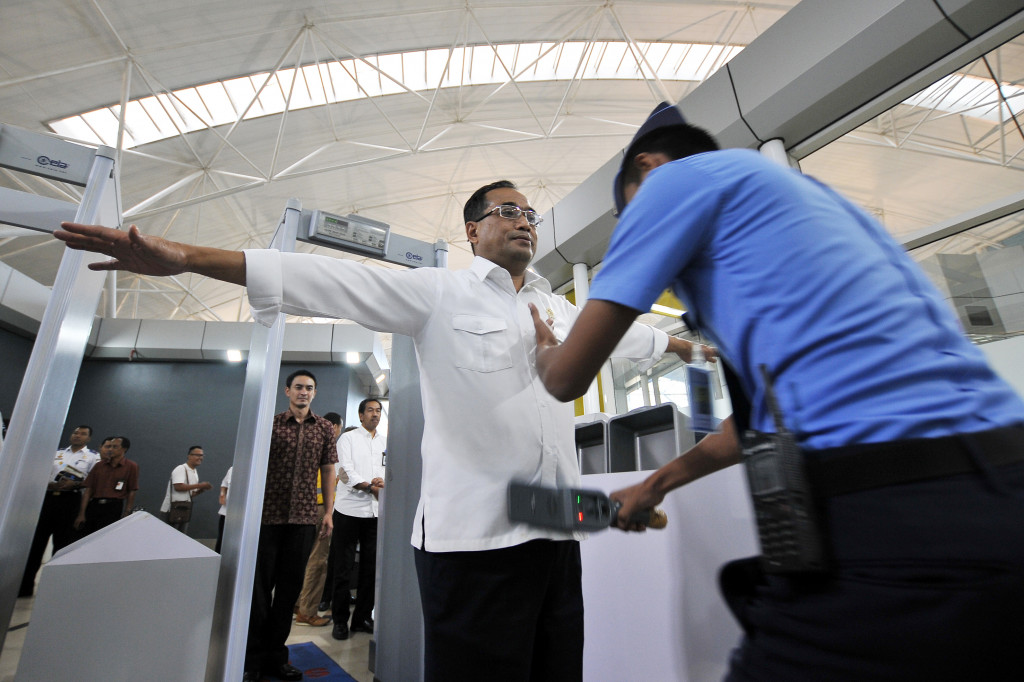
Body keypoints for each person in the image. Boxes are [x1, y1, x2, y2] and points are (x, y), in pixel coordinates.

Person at [54, 180, 704, 681]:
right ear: (473, 231)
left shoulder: (553, 306)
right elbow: (327, 281)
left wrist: (683, 346)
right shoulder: (438, 295)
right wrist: (188, 257)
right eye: (507, 211)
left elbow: (619, 333)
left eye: (530, 213)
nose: (524, 221)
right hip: (474, 544)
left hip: (558, 533)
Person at [529, 102, 1024, 681]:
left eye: (625, 214)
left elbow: (567, 379)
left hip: (896, 527)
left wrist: (543, 350)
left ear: (649, 165)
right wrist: (656, 484)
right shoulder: (808, 202)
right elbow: (765, 423)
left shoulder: (671, 183)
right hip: (1002, 488)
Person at [244, 369, 337, 682]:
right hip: (267, 517)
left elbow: (328, 469)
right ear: (287, 391)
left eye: (309, 388)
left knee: (287, 594)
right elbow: (253, 465)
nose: (304, 392)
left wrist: (328, 512)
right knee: (259, 593)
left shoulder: (324, 428)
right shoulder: (269, 425)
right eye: (298, 387)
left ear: (314, 393)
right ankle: (252, 661)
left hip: (302, 519)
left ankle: (276, 658)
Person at [19, 424, 100, 597]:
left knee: (62, 544)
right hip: (48, 498)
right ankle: (25, 587)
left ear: (89, 438)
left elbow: (93, 480)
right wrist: (49, 483)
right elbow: (40, 473)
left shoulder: (92, 456)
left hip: (70, 500)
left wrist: (76, 483)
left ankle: (52, 589)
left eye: (83, 434)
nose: (77, 436)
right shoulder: (57, 453)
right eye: (75, 432)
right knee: (36, 543)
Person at [330, 399, 385, 641]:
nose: (375, 414)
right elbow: (345, 472)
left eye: (379, 411)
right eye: (371, 410)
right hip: (348, 511)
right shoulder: (348, 439)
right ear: (361, 415)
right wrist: (370, 487)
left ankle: (362, 618)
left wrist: (382, 484)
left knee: (371, 569)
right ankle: (340, 620)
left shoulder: (385, 442)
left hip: (375, 513)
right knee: (343, 569)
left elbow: (387, 471)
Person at [293, 411, 343, 627]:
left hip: (301, 507)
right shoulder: (328, 448)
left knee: (300, 557)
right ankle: (307, 611)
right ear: (335, 427)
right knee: (318, 560)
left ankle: (297, 603)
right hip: (321, 507)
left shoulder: (307, 443)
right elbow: (330, 478)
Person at [74, 436, 139, 535]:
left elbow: (132, 490)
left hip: (113, 506)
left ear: (124, 449)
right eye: (110, 446)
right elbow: (88, 490)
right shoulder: (99, 465)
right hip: (94, 505)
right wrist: (82, 513)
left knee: (104, 536)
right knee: (84, 535)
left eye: (115, 447)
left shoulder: (131, 466)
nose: (111, 449)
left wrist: (127, 512)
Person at [159, 445, 213, 533]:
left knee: (180, 538)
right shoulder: (181, 469)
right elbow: (178, 487)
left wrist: (201, 489)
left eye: (202, 455)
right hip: (171, 510)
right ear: (189, 456)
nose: (200, 458)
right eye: (197, 455)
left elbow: (190, 495)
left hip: (184, 510)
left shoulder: (194, 472)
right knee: (166, 537)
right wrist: (199, 485)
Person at [215, 465, 232, 553]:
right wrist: (222, 494)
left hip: (240, 516)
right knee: (221, 538)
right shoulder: (232, 469)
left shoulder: (253, 472)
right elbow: (224, 484)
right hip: (225, 512)